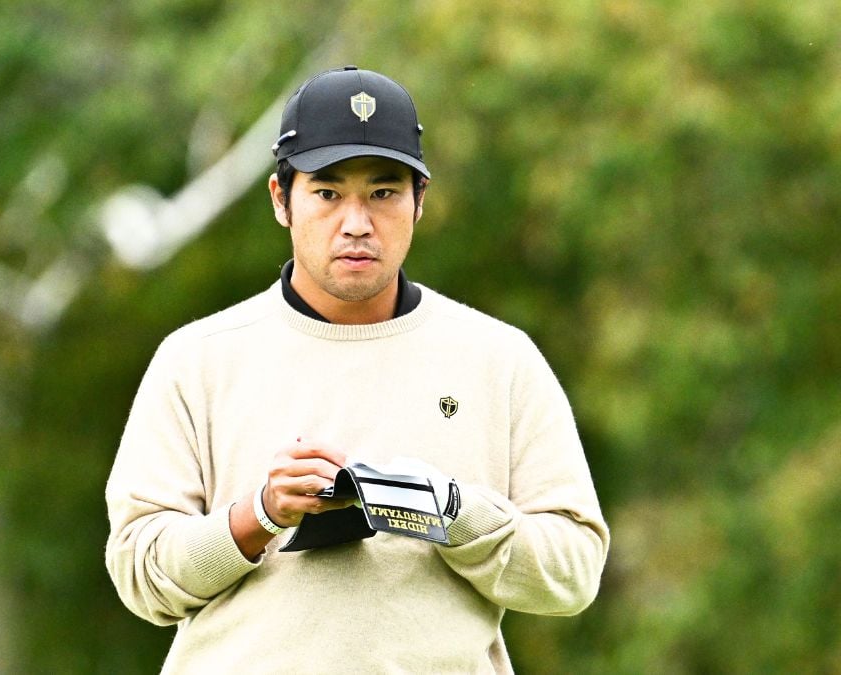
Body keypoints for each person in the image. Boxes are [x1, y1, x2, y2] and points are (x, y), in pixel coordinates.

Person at [105, 66, 609, 673]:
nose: (356, 223)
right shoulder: (197, 359)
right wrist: (261, 514)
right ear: (280, 200)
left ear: (420, 201)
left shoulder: (499, 359)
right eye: (326, 191)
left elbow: (573, 573)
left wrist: (451, 511)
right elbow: (142, 577)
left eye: (384, 191)